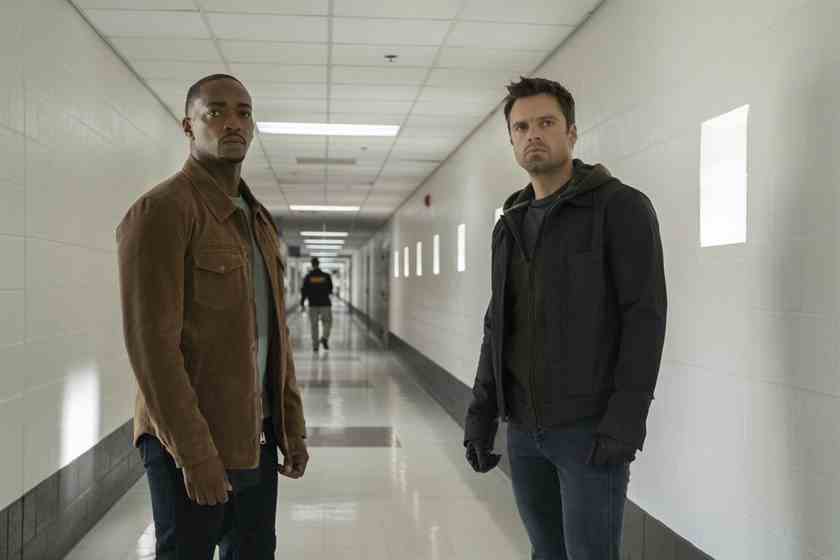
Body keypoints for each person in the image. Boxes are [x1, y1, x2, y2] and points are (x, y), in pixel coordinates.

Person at [463, 77, 667, 559]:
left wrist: (626, 420)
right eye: (521, 127)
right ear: (511, 140)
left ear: (571, 133)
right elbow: (498, 325)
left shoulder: (619, 207)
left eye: (546, 123)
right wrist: (481, 413)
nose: (533, 134)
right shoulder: (510, 223)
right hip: (524, 431)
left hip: (588, 430)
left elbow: (644, 318)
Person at [117, 74, 308, 560]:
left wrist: (291, 426)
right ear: (188, 126)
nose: (233, 123)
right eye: (215, 112)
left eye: (243, 113)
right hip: (188, 442)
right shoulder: (162, 211)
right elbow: (152, 350)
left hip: (254, 437)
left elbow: (274, 336)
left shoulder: (258, 219)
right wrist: (194, 453)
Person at [300, 257, 334, 352]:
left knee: (314, 325)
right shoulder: (326, 276)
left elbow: (304, 291)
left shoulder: (308, 277)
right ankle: (324, 338)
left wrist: (302, 303)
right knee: (327, 322)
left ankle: (315, 345)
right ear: (319, 264)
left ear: (312, 265)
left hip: (313, 304)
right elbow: (330, 289)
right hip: (325, 303)